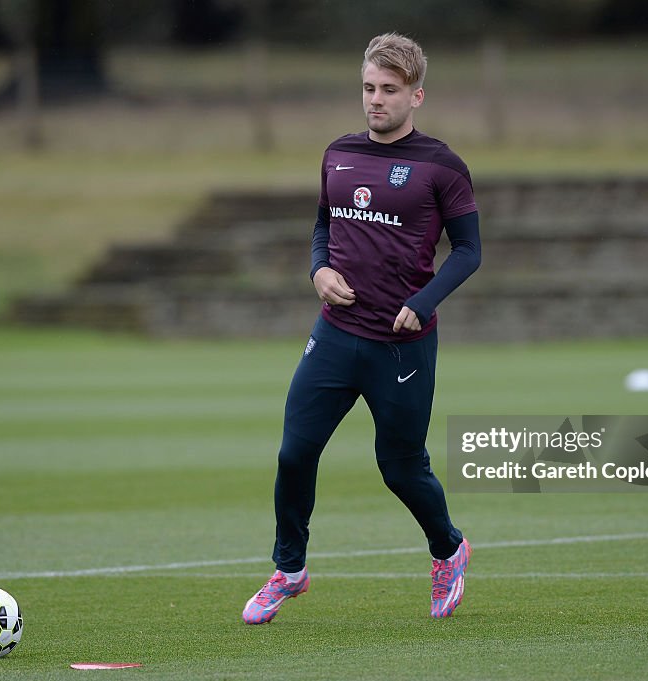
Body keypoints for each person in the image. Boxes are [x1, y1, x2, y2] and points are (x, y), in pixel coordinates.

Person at [243, 32, 481, 624]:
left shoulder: (442, 167)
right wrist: (319, 269)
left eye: (389, 90)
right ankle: (289, 569)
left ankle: (448, 550)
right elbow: (324, 224)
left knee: (401, 467)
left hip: (401, 344)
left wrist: (423, 302)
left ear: (417, 95)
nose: (376, 100)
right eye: (369, 88)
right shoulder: (338, 153)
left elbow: (469, 251)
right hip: (334, 333)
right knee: (295, 454)